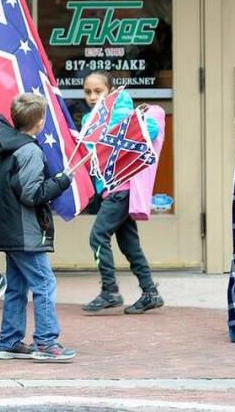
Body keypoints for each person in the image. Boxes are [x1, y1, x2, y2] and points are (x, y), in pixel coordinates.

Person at [0, 93, 76, 362]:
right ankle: (47, 342)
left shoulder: (6, 147)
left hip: (8, 230)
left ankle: (9, 340)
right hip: (25, 232)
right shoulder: (30, 151)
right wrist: (61, 181)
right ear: (40, 122)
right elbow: (32, 194)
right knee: (44, 282)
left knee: (17, 285)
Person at [80, 71, 163, 315]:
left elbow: (151, 129)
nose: (92, 97)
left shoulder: (121, 113)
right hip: (110, 189)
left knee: (97, 237)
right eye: (87, 92)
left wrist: (122, 126)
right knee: (130, 245)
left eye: (98, 91)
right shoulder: (89, 119)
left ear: (110, 92)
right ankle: (150, 292)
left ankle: (110, 291)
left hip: (121, 189)